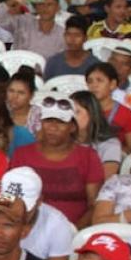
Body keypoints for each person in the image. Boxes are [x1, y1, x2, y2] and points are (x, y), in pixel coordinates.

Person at [9, 95, 103, 226]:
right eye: (48, 120)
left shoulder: (88, 156)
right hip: (27, 228)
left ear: (72, 127)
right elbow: (9, 197)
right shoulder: (22, 154)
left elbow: (94, 204)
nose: (53, 127)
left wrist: (74, 231)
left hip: (75, 228)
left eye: (60, 122)